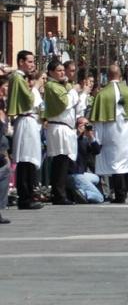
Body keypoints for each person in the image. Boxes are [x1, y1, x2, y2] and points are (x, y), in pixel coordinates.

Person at [91, 64, 128, 203]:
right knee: (127, 163)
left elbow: (98, 122)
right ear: (120, 75)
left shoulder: (102, 94)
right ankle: (124, 190)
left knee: (115, 165)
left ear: (108, 76)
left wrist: (96, 139)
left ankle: (119, 193)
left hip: (110, 132)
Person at [43, 58, 85, 204]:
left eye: (62, 70)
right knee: (60, 161)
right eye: (59, 71)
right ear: (51, 72)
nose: (62, 73)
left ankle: (62, 193)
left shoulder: (63, 85)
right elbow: (65, 102)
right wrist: (73, 91)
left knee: (64, 161)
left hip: (66, 127)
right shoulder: (51, 86)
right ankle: (59, 194)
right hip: (58, 126)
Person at [6, 50, 43, 210]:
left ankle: (28, 194)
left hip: (30, 121)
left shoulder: (20, 78)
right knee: (25, 159)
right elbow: (29, 100)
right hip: (25, 120)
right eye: (29, 61)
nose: (32, 65)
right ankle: (25, 197)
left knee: (29, 159)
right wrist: (34, 88)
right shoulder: (18, 78)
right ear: (21, 62)